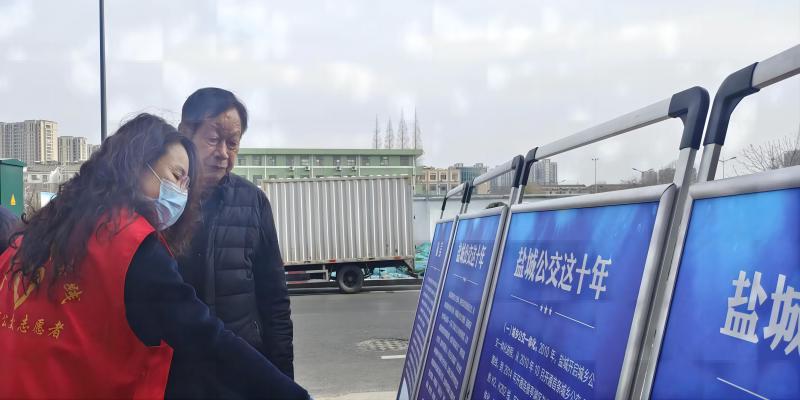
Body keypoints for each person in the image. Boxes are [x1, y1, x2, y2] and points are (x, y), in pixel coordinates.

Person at [0, 114, 310, 400]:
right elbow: (206, 339)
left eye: (187, 185)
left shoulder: (33, 237)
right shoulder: (130, 246)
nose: (181, 193)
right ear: (136, 166)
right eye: (176, 175)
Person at [166, 88, 294, 398]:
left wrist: (283, 380)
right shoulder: (164, 202)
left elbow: (274, 300)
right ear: (185, 133)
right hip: (177, 375)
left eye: (232, 143)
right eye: (213, 139)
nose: (223, 152)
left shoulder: (253, 203)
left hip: (240, 370)